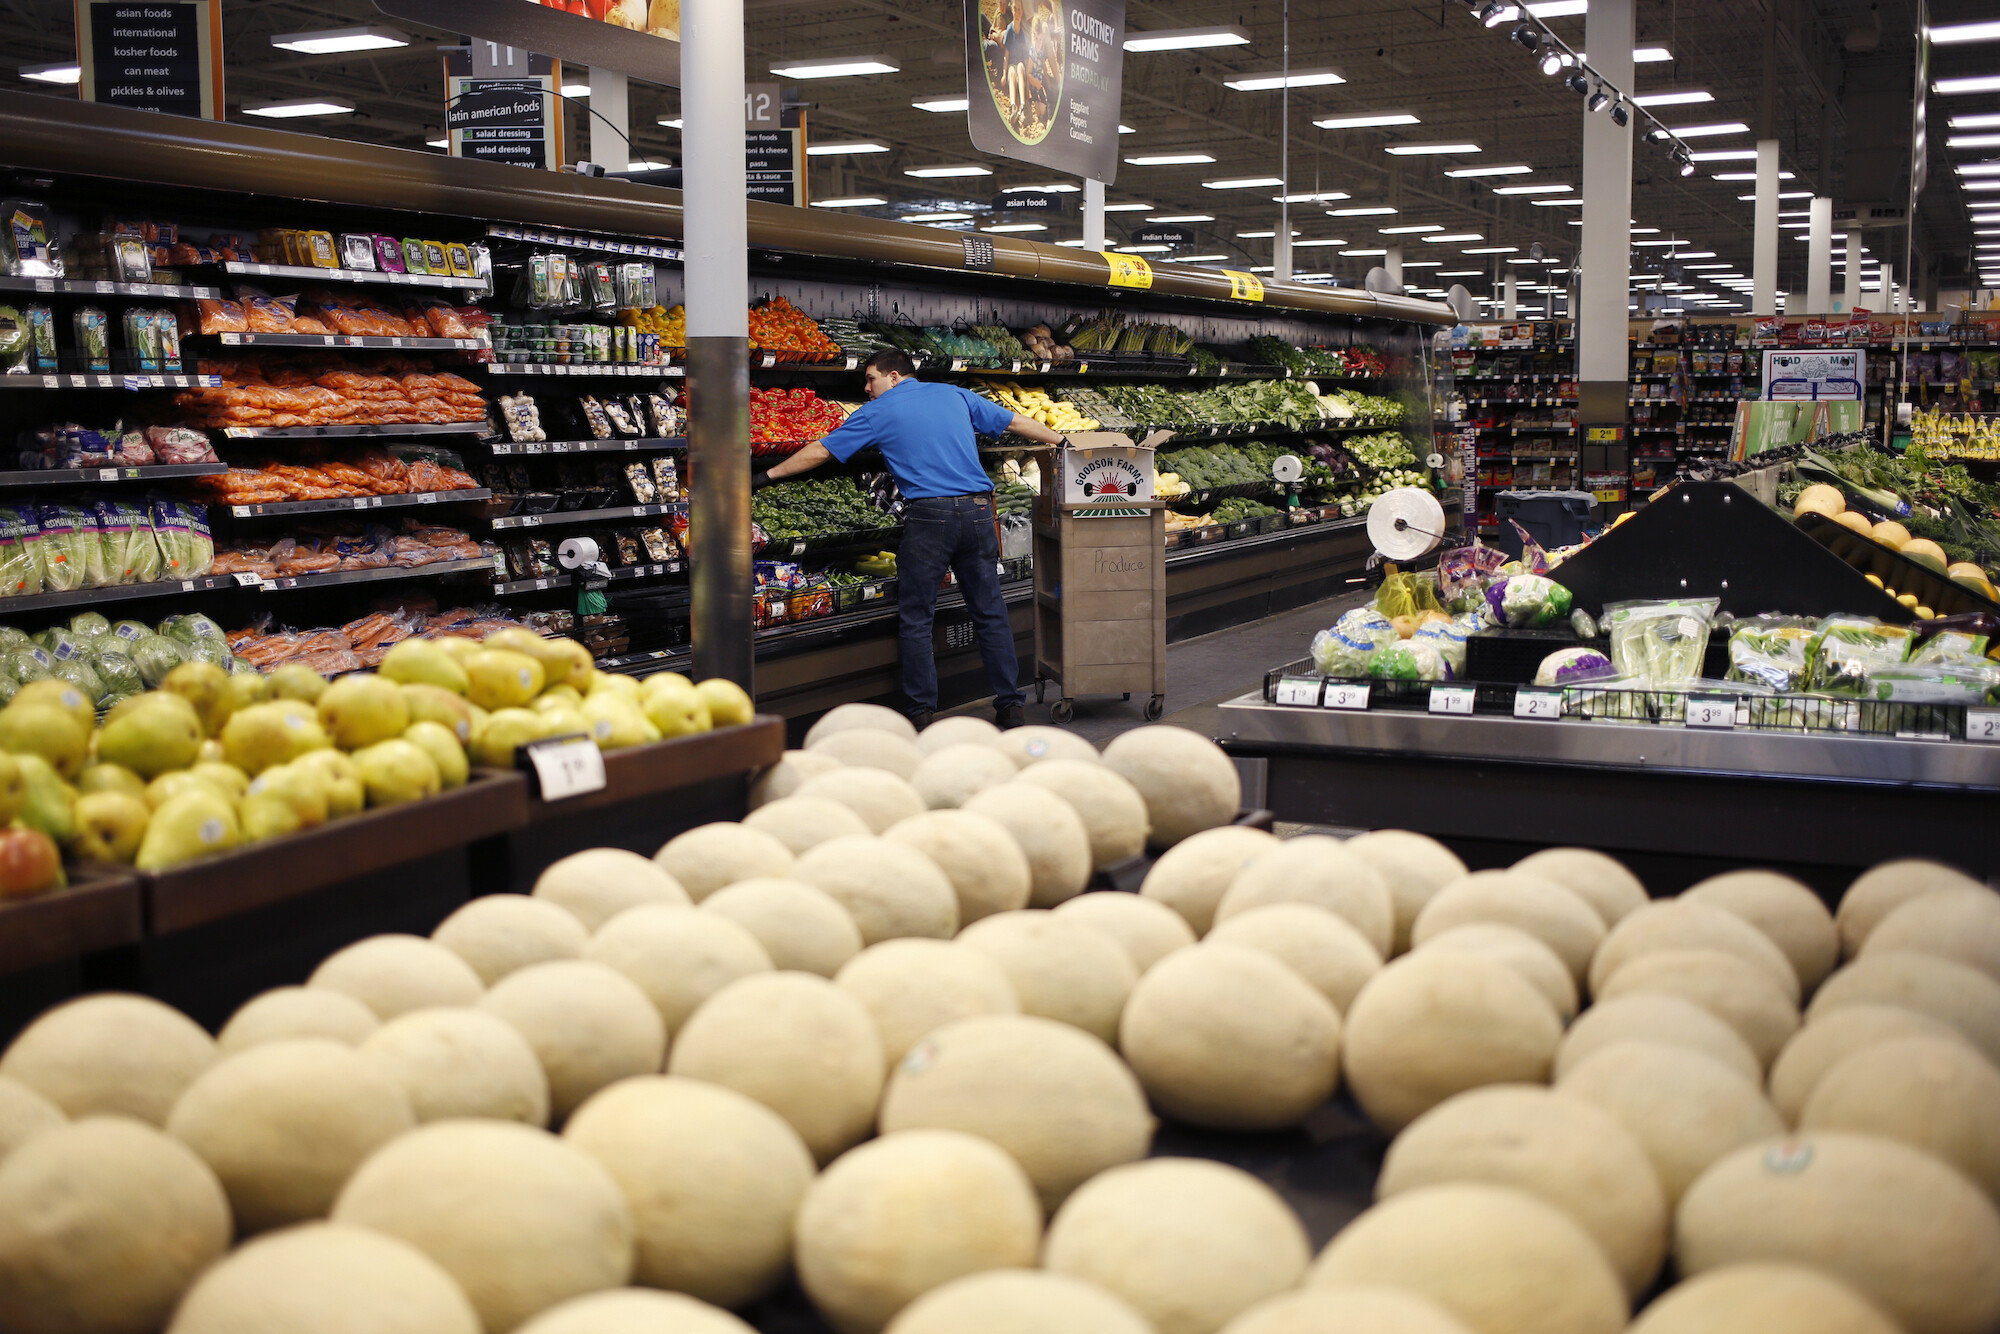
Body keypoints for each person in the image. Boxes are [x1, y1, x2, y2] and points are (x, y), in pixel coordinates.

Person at [751, 348, 1066, 730]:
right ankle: (1011, 704)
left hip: (931, 517)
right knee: (989, 609)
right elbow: (1016, 421)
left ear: (894, 376)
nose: (866, 388)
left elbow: (821, 450)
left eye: (871, 379)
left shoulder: (877, 412)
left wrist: (766, 477)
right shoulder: (955, 394)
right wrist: (1062, 441)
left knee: (917, 615)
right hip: (980, 512)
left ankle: (921, 711)